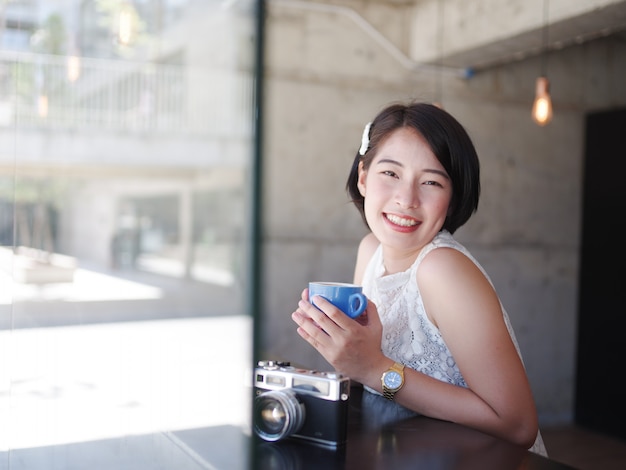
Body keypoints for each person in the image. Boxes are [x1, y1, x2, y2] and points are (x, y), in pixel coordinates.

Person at [291, 101, 547, 456]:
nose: (406, 199)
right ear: (363, 177)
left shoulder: (442, 269)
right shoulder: (370, 250)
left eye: (430, 182)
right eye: (390, 174)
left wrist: (375, 369)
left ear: (452, 197)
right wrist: (345, 351)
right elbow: (371, 382)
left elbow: (518, 426)